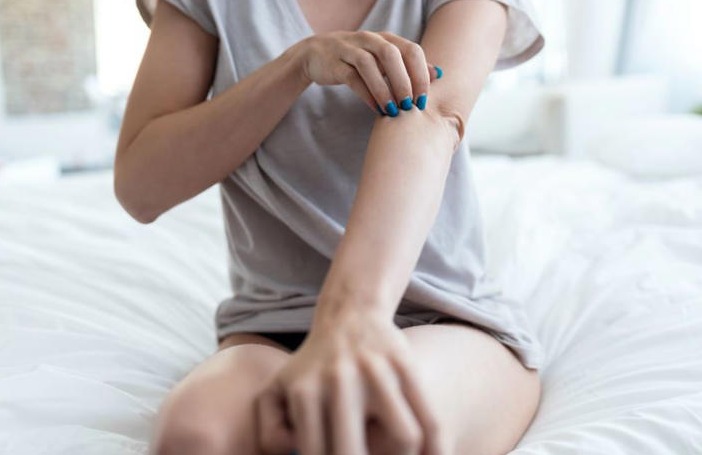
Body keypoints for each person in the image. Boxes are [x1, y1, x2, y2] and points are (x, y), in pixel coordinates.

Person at [116, 0, 546, 453]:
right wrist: (296, 66)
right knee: (194, 439)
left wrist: (351, 319)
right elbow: (141, 187)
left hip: (442, 316)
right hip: (271, 330)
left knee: (377, 428)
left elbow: (430, 117)